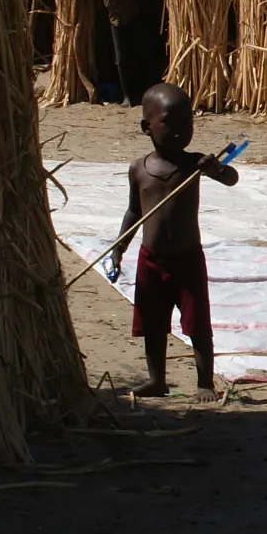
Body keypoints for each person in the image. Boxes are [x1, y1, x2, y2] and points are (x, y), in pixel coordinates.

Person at [101, 82, 237, 397]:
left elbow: (231, 179)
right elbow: (134, 212)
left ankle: (205, 383)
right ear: (146, 127)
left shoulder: (194, 164)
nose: (181, 130)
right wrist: (119, 249)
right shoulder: (139, 169)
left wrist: (216, 169)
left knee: (198, 324)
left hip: (187, 259)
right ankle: (156, 379)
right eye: (170, 123)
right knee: (153, 322)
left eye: (187, 122)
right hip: (151, 258)